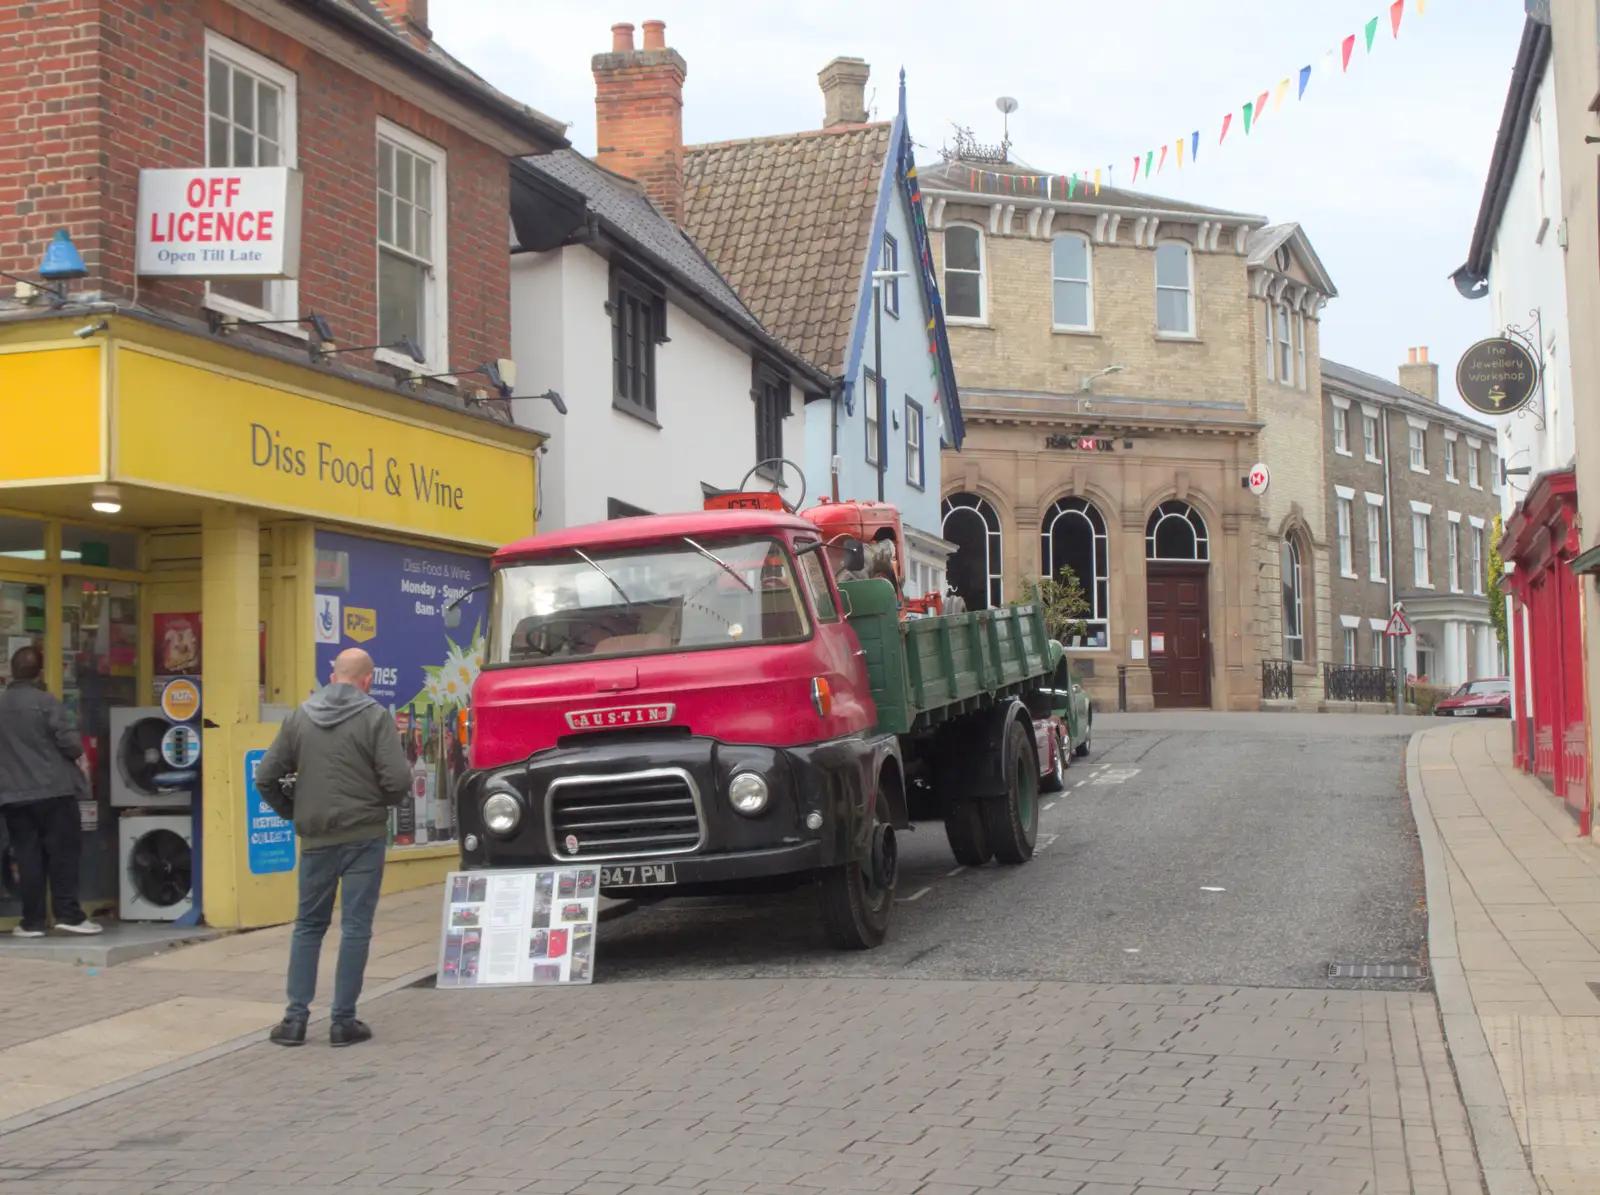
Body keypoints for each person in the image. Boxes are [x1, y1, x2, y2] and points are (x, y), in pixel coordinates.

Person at [254, 648, 410, 1047]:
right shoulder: (375, 716)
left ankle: (294, 1021)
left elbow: (265, 777)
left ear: (332, 674)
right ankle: (343, 1022)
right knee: (355, 928)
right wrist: (379, 806)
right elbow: (397, 780)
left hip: (316, 840)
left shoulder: (300, 716)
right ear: (368, 679)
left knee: (308, 926)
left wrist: (296, 811)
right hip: (364, 837)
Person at [0, 645, 100, 937]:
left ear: (11, 673)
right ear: (39, 673)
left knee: (27, 857)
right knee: (63, 855)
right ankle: (69, 914)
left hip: (14, 796)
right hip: (54, 791)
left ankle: (31, 922)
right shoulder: (46, 703)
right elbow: (69, 743)